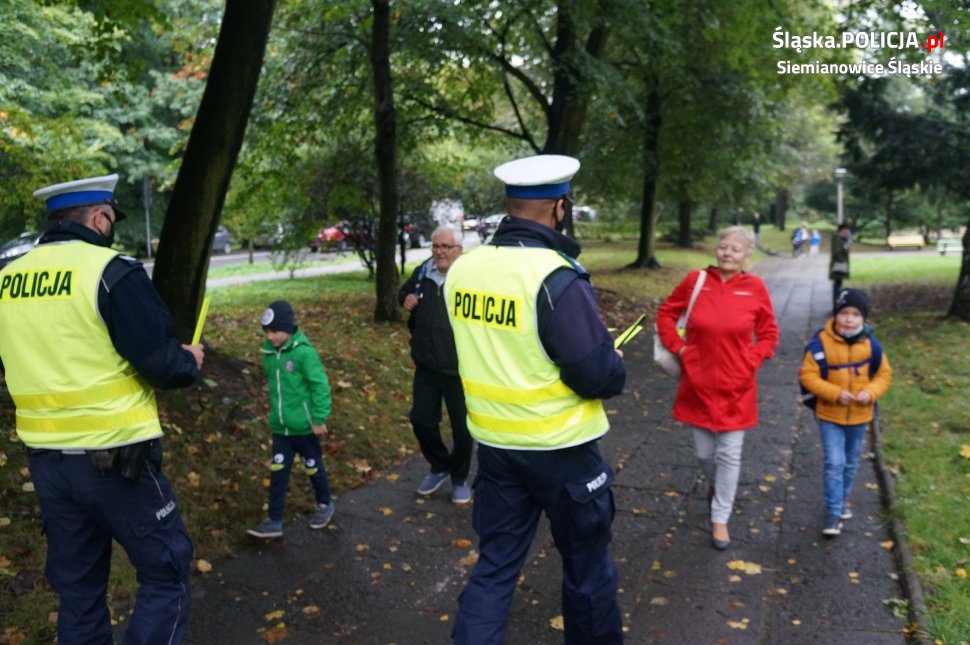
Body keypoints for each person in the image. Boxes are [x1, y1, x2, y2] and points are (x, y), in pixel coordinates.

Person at [0, 174, 204, 643]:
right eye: (110, 218)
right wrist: (187, 361)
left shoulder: (9, 280)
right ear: (99, 217)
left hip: (48, 464)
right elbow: (161, 364)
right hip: (117, 460)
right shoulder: (110, 272)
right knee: (166, 571)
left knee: (79, 592)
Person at [445, 155, 626, 644]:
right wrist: (614, 362)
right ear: (559, 208)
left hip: (497, 449)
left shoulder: (465, 269)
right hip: (563, 450)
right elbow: (594, 375)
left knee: (495, 567)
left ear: (510, 204)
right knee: (588, 572)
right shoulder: (555, 275)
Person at [655, 226, 779, 550]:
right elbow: (666, 314)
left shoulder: (755, 288)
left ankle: (720, 518)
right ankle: (718, 489)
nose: (727, 252)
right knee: (704, 454)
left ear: (747, 255)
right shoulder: (696, 281)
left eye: (736, 249)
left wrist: (750, 361)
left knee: (729, 455)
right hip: (696, 383)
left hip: (737, 388)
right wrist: (680, 349)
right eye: (723, 246)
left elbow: (768, 334)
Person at [798, 288, 892, 537]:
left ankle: (843, 498)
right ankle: (833, 511)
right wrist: (833, 392)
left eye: (855, 314)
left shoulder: (872, 346)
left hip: (860, 416)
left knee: (850, 464)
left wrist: (870, 393)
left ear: (864, 318)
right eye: (844, 313)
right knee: (834, 463)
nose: (849, 319)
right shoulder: (821, 343)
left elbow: (883, 375)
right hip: (830, 415)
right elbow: (808, 375)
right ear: (836, 315)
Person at [247, 300, 336, 538]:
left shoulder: (304, 353)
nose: (270, 336)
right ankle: (274, 520)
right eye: (267, 331)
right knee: (278, 471)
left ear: (289, 327)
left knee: (313, 467)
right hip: (281, 429)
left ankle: (325, 504)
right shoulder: (269, 355)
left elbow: (320, 386)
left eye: (275, 331)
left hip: (305, 428)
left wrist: (318, 418)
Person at [398, 226, 473, 504]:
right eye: (435, 246)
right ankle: (440, 466)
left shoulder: (469, 277)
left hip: (460, 370)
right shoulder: (422, 273)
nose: (439, 252)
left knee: (463, 431)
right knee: (421, 420)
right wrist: (405, 299)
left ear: (458, 250)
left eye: (445, 246)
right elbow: (402, 294)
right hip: (427, 366)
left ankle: (460, 478)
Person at [829, 223, 851, 309]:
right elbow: (837, 252)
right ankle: (836, 304)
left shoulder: (841, 240)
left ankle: (837, 303)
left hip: (839, 265)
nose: (846, 234)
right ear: (840, 231)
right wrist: (842, 261)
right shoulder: (837, 240)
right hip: (838, 266)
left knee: (838, 284)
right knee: (837, 286)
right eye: (845, 232)